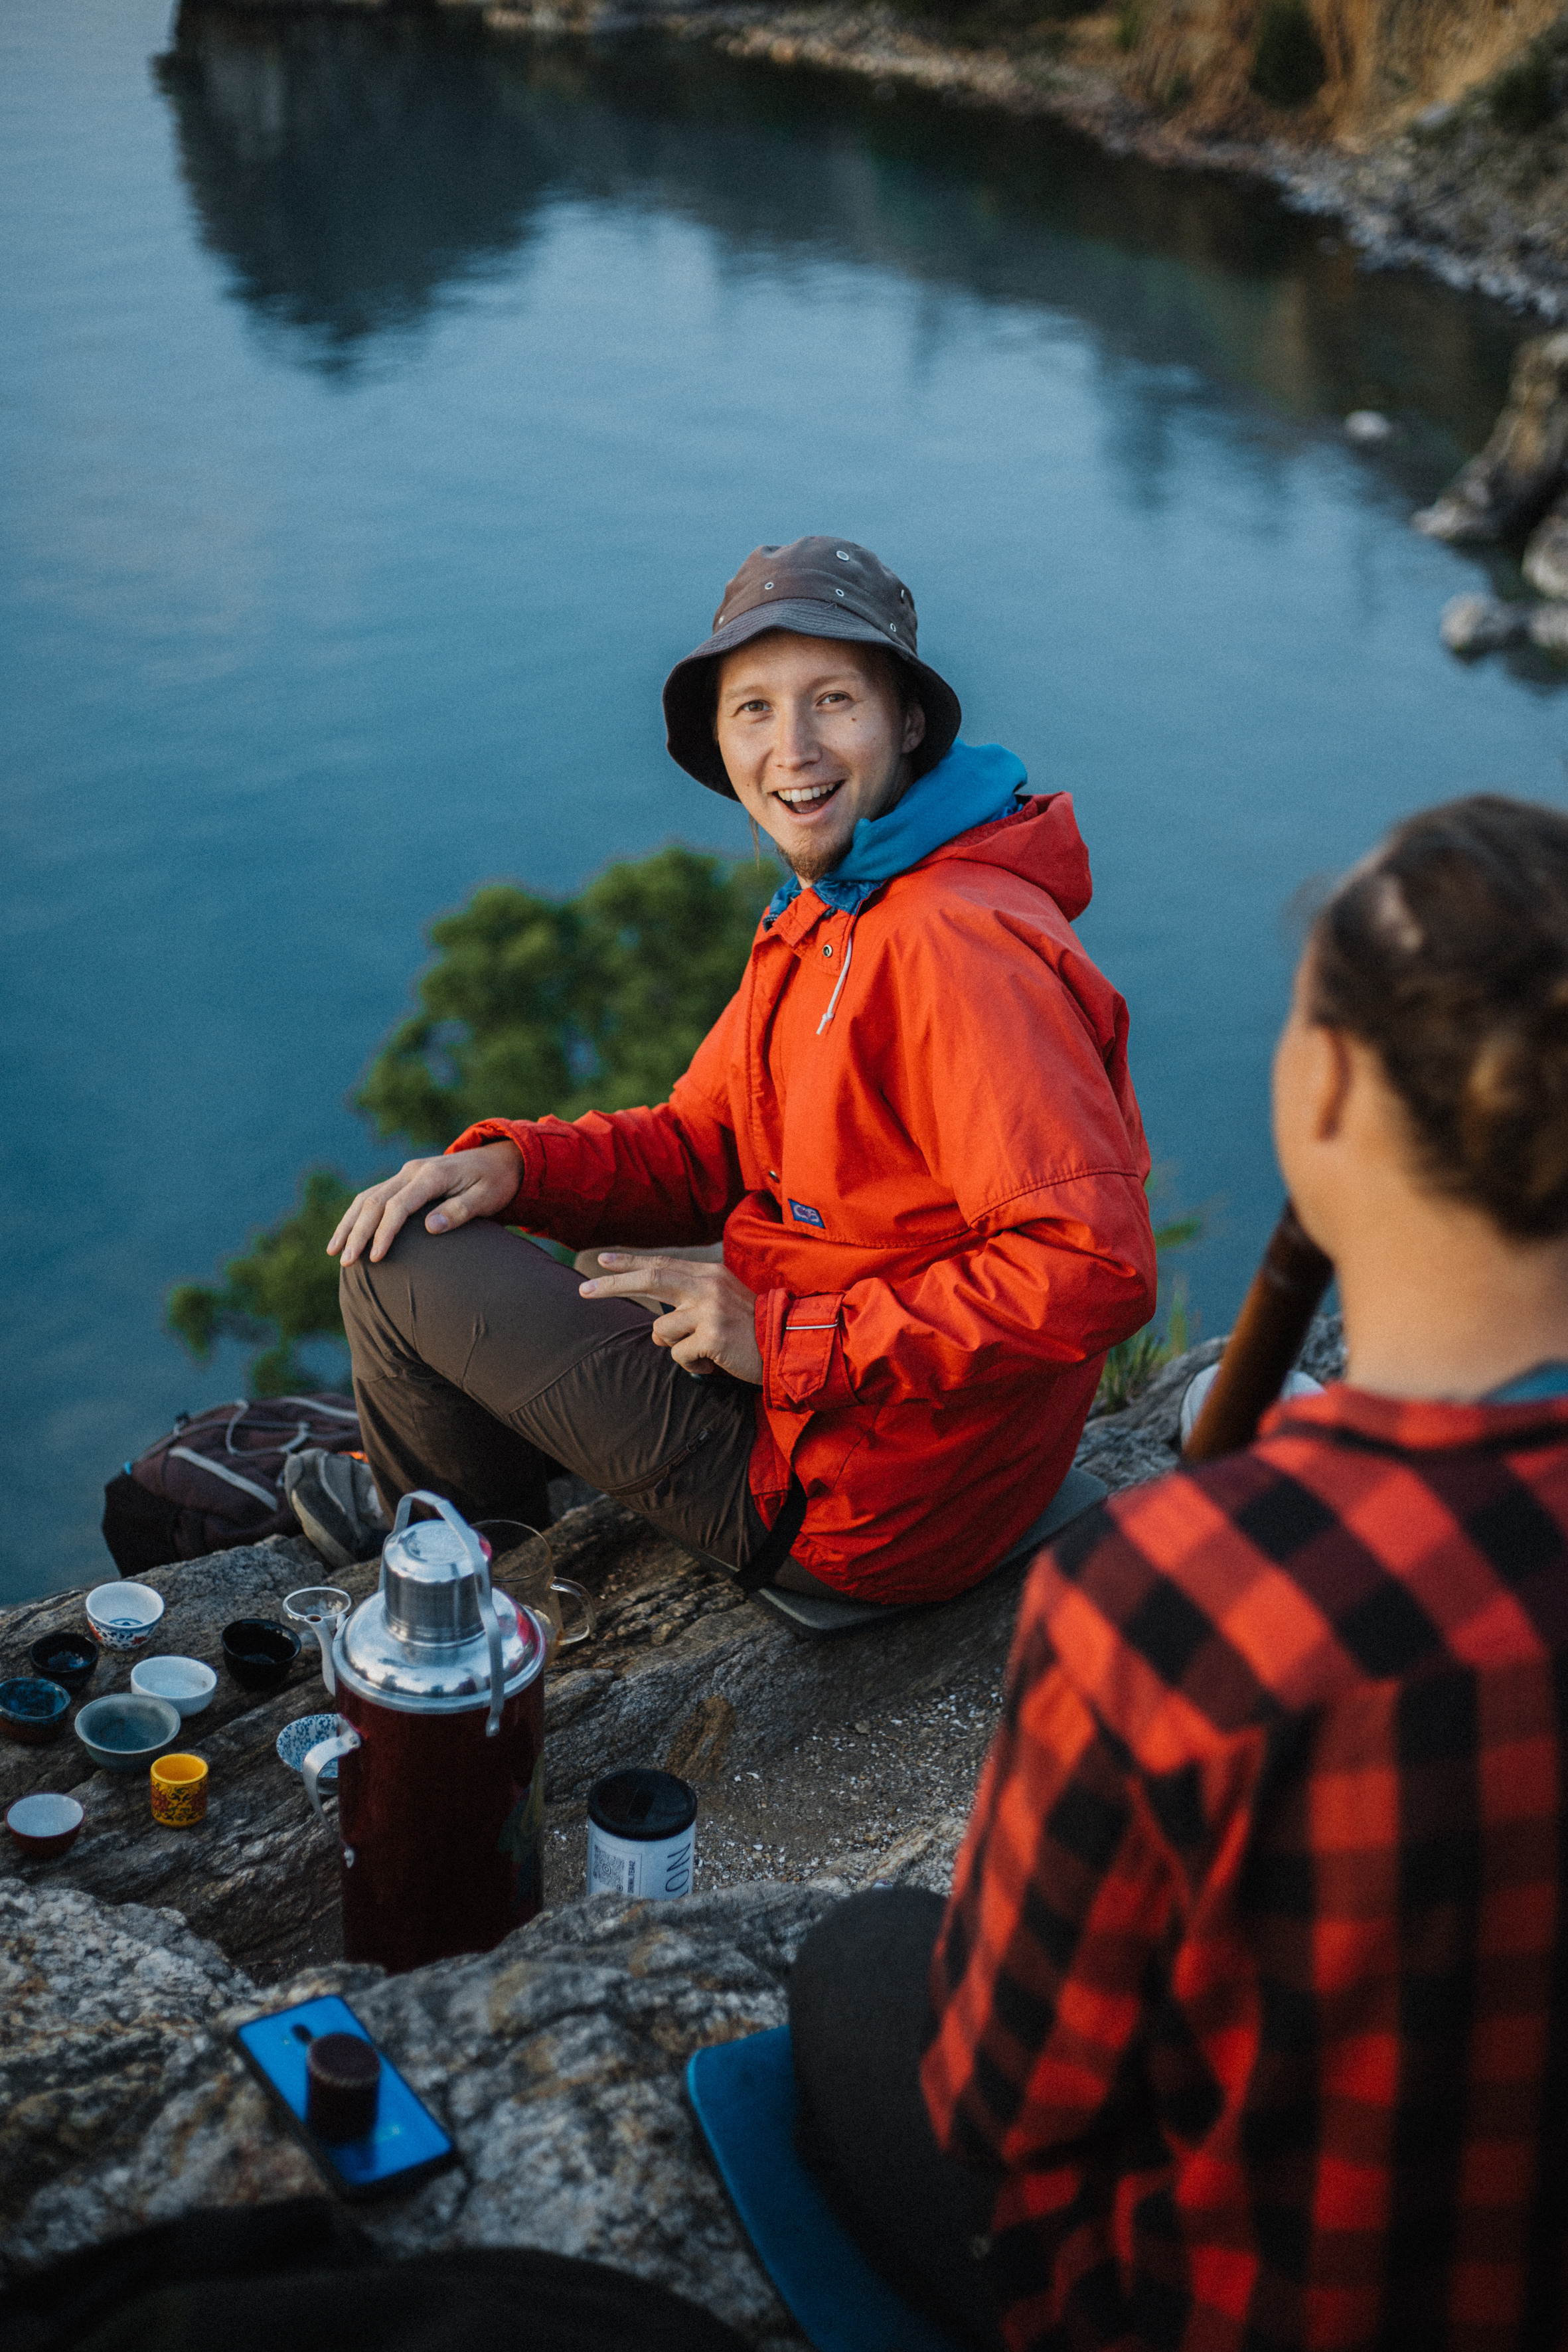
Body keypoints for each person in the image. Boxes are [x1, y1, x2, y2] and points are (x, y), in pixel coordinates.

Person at [789, 791, 1568, 2344]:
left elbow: (1006, 2107)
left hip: (1223, 2310)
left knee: (860, 1963)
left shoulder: (1177, 1597)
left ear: (1326, 1091)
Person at [323, 537, 1155, 1604]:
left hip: (856, 1500)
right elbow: (706, 1144)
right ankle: (483, 1556)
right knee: (440, 1208)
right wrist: (520, 1170)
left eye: (833, 700)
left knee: (392, 1268)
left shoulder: (953, 945)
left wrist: (785, 1341)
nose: (792, 749)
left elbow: (1093, 1267)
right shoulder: (838, 908)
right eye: (752, 709)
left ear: (905, 721)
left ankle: (468, 1614)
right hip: (854, 1426)